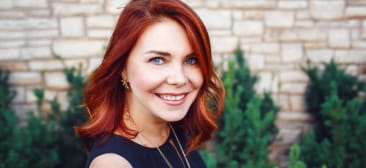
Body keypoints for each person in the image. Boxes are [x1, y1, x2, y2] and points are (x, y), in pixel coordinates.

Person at [75, 0, 225, 167]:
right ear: (123, 68)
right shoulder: (113, 163)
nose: (180, 79)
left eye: (191, 60)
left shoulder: (170, 129)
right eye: (158, 60)